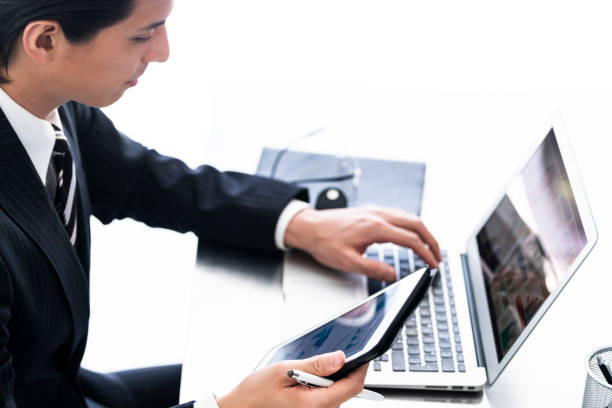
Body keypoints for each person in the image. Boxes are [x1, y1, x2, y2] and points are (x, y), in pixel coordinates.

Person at [0, 0, 442, 407]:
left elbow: (143, 180)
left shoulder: (45, 99)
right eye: (142, 35)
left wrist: (301, 223)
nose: (163, 51)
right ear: (44, 41)